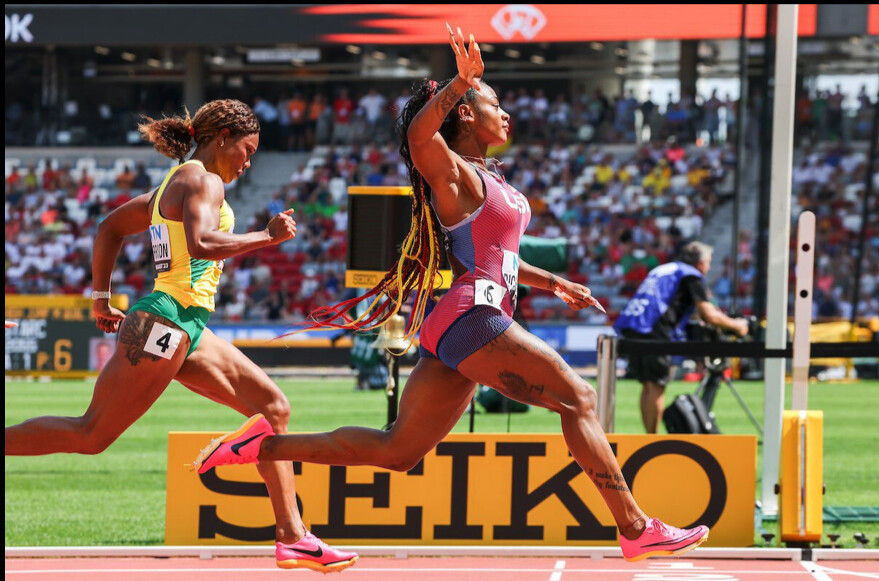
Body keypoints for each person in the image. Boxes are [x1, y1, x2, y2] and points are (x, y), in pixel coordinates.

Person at [195, 26, 710, 562]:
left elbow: (501, 258)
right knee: (577, 398)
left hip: (463, 322)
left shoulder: (490, 177)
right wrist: (459, 82)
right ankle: (635, 527)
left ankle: (258, 446)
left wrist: (554, 282)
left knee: (397, 451)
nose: (506, 115)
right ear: (465, 114)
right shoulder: (453, 172)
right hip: (475, 314)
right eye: (494, 104)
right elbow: (420, 137)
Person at [3, 99, 357, 574]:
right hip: (163, 324)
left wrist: (100, 299)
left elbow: (110, 228)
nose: (248, 163)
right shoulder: (202, 181)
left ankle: (293, 538)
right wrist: (267, 237)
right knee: (91, 434)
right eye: (247, 150)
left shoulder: (176, 184)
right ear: (223, 138)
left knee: (273, 408)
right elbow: (202, 243)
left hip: (184, 325)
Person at [614, 242, 749, 434]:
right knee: (657, 385)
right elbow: (709, 314)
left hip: (633, 325)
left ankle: (648, 437)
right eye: (708, 262)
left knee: (648, 385)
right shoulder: (691, 275)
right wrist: (738, 326)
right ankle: (652, 440)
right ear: (701, 263)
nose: (709, 267)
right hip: (654, 328)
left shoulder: (664, 269)